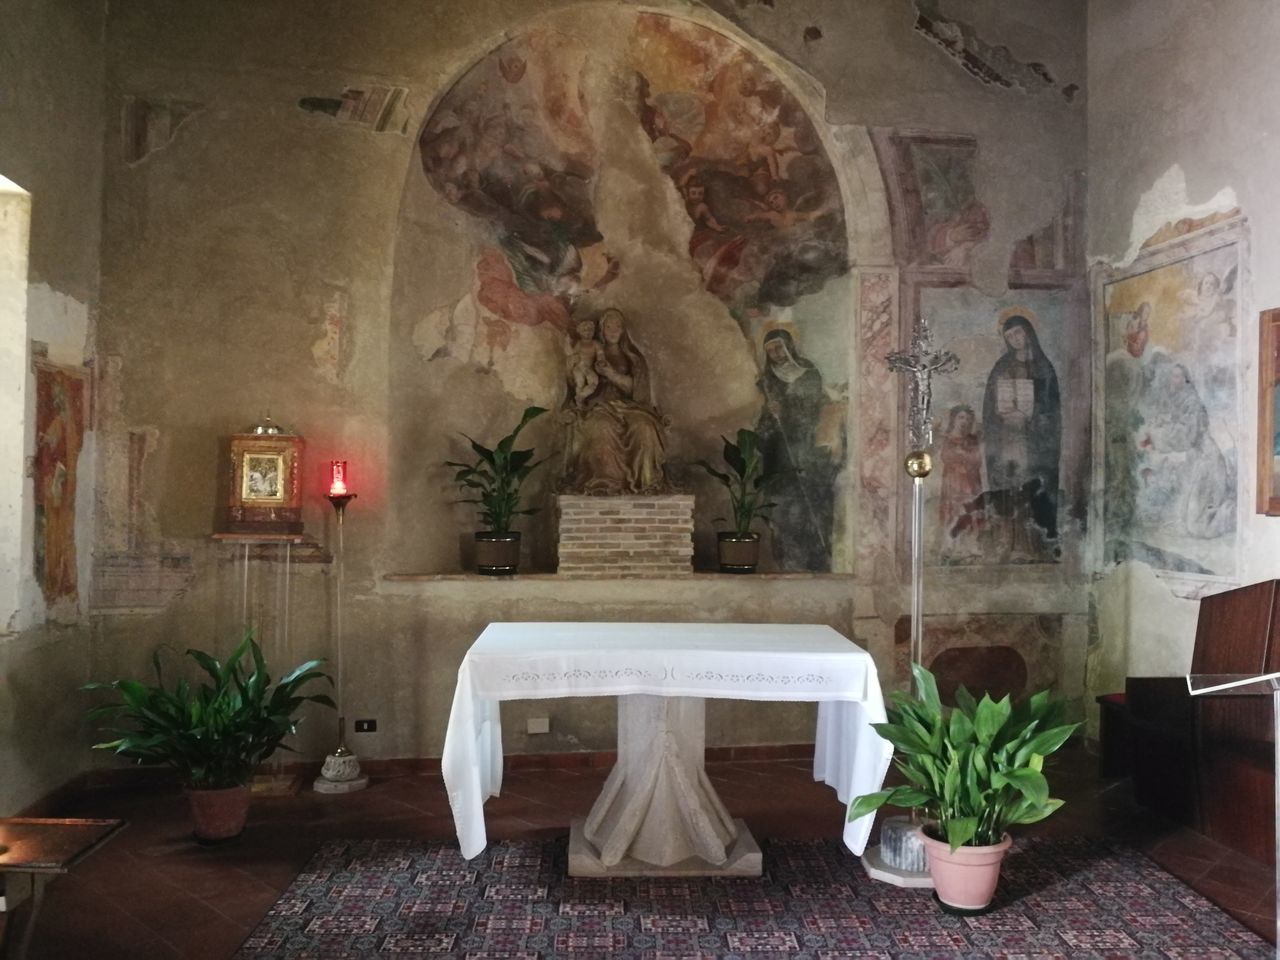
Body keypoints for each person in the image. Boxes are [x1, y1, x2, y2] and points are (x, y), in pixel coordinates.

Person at [560, 309, 667, 494]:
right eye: (608, 326)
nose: (613, 330)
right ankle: (605, 485)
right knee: (600, 429)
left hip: (630, 407)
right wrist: (573, 370)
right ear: (601, 330)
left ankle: (646, 483)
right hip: (599, 406)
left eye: (617, 326)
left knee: (644, 428)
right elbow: (577, 381)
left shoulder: (632, 357)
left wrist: (611, 374)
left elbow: (637, 389)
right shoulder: (592, 351)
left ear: (623, 330)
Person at [981, 312, 1060, 558]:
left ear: (1028, 331)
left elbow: (1051, 408)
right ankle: (1008, 541)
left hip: (1035, 441)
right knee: (1009, 485)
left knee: (1032, 486)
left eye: (1018, 332)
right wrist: (1004, 416)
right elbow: (989, 407)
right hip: (1008, 438)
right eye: (1009, 336)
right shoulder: (1001, 366)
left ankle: (1034, 545)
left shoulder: (1044, 367)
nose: (1015, 339)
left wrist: (1031, 417)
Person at [756, 328, 835, 570]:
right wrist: (770, 414)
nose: (776, 354)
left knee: (808, 506)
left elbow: (810, 408)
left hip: (804, 446)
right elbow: (764, 421)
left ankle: (816, 558)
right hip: (778, 450)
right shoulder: (768, 379)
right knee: (783, 508)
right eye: (770, 351)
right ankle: (787, 560)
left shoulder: (808, 373)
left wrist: (785, 409)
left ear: (789, 345)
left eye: (779, 347)